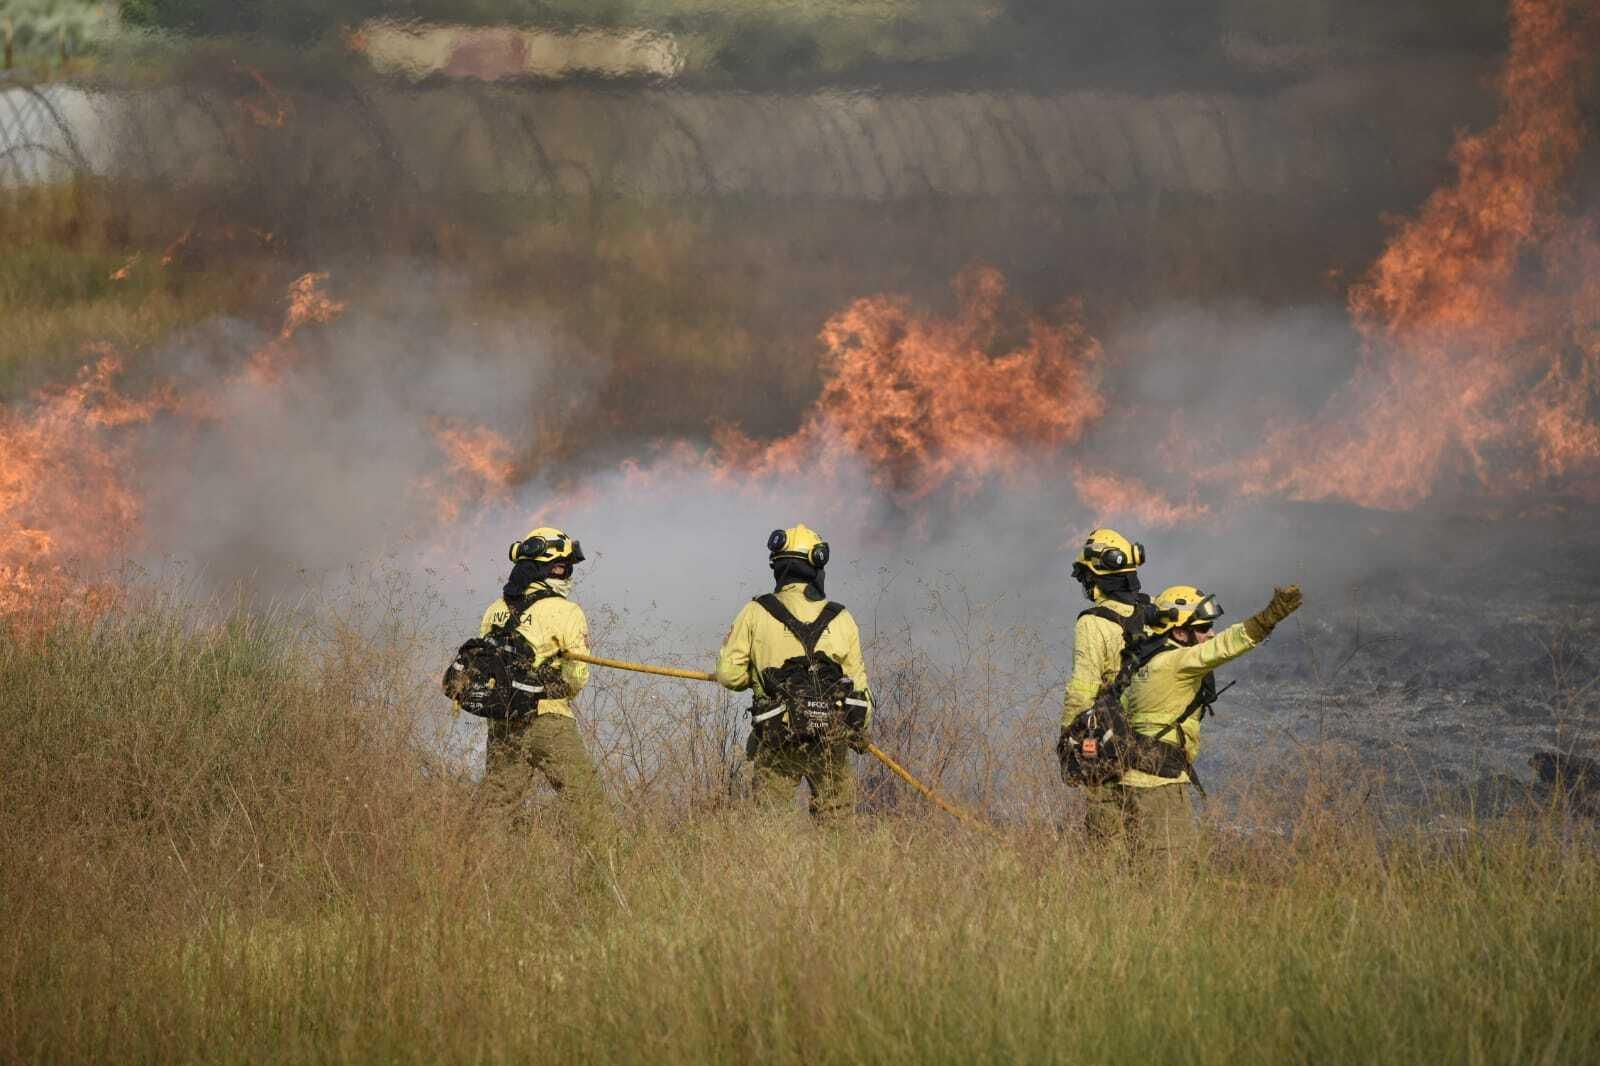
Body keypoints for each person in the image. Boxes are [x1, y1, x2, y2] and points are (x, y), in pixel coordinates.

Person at [1095, 583, 1304, 861]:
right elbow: (1228, 645)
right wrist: (1270, 616)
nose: (1210, 633)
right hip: (1160, 786)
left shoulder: (1139, 663)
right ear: (1180, 632)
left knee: (1136, 869)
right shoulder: (1178, 661)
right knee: (1170, 876)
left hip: (1127, 781)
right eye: (1203, 628)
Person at [715, 524, 872, 823]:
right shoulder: (842, 618)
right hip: (831, 740)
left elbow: (728, 675)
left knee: (770, 826)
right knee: (837, 825)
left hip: (777, 740)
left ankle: (775, 870)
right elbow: (860, 693)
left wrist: (759, 676)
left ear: (778, 567)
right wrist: (860, 735)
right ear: (816, 566)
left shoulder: (755, 612)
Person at [476, 526, 616, 845]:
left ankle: (481, 874)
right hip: (548, 719)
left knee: (497, 805)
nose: (566, 573)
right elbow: (576, 677)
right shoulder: (566, 611)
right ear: (543, 568)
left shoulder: (495, 609)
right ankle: (604, 874)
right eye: (561, 567)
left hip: (503, 722)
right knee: (586, 800)